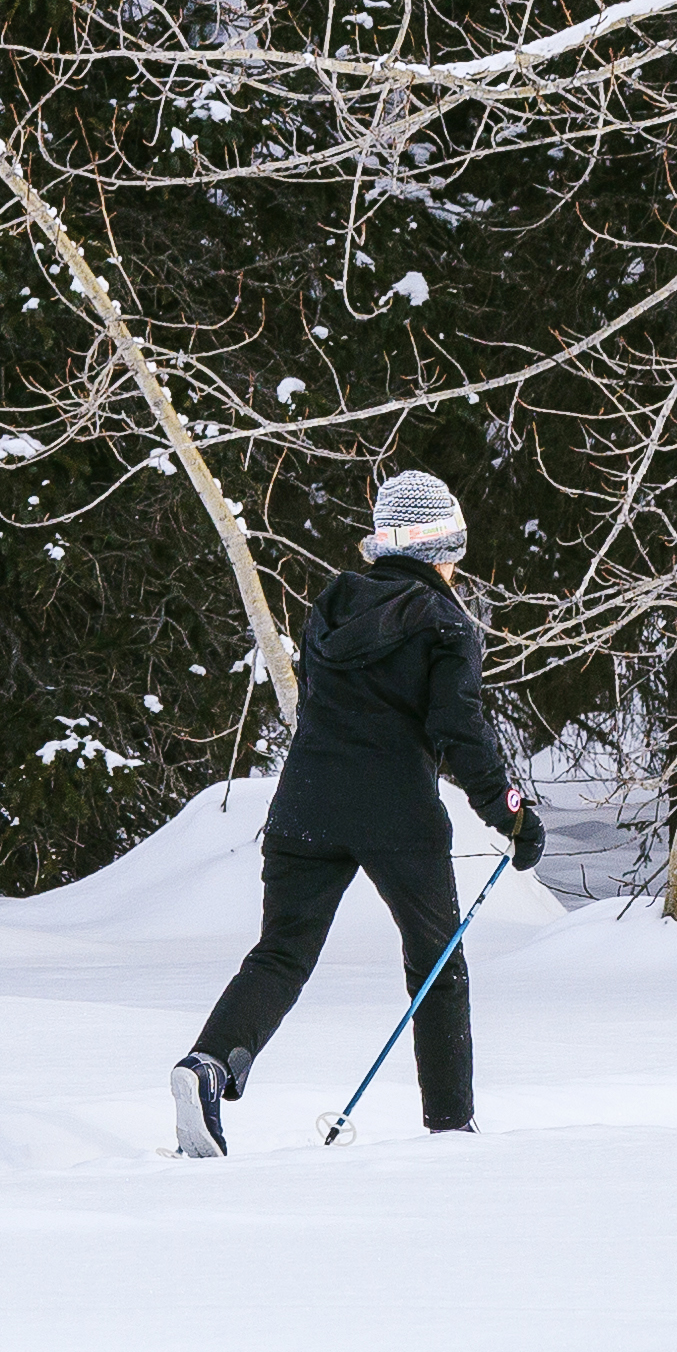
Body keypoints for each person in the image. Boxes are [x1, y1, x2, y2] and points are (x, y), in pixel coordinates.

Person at [171, 469, 536, 1154]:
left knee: (281, 953)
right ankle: (451, 1128)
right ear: (439, 548)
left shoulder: (331, 606)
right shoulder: (446, 624)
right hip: (397, 814)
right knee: (437, 964)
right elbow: (460, 731)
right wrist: (510, 814)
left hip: (304, 805)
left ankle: (208, 1064)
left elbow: (318, 705)